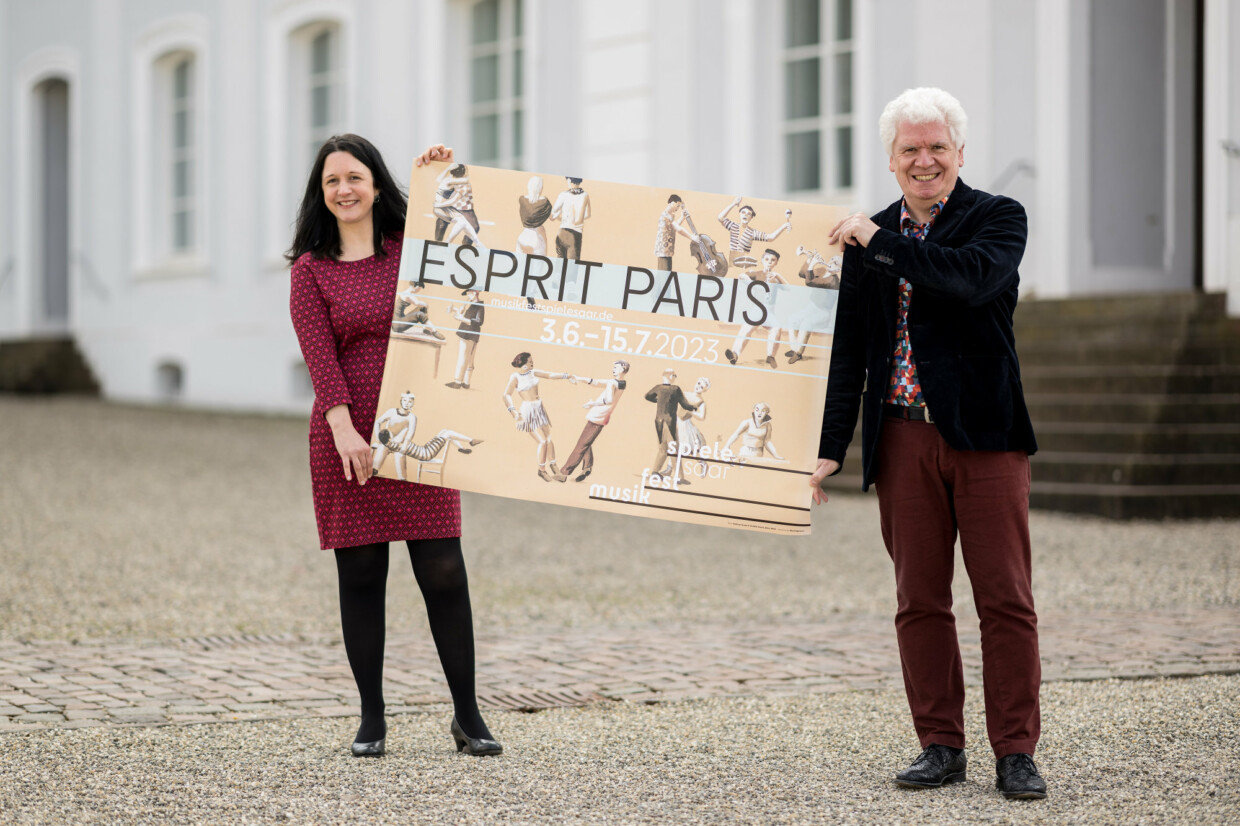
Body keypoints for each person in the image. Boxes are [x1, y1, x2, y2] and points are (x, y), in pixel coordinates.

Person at [809, 88, 1045, 800]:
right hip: (902, 438)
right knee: (919, 599)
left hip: (985, 436)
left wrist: (882, 244)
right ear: (891, 159)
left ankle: (1015, 751)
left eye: (937, 146)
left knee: (1004, 597)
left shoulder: (997, 218)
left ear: (960, 153)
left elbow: (970, 282)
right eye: (910, 149)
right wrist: (829, 448)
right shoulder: (869, 235)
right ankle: (940, 744)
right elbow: (849, 353)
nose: (924, 160)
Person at [287, 134, 501, 759]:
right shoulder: (311, 269)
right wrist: (343, 426)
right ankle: (372, 718)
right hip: (346, 438)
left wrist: (441, 182)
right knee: (361, 575)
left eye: (354, 177)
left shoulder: (412, 251)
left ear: (377, 183)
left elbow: (472, 253)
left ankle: (467, 715)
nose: (344, 190)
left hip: (419, 429)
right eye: (332, 182)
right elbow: (319, 356)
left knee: (444, 570)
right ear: (320, 195)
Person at [370, 390, 482, 481]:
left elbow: (410, 433)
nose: (406, 403)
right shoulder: (395, 440)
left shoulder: (410, 419)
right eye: (404, 400)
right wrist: (379, 436)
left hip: (423, 448)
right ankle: (470, 440)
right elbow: (380, 423)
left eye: (409, 401)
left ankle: (461, 448)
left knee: (445, 431)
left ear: (413, 403)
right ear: (401, 401)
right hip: (425, 452)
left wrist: (401, 442)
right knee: (447, 433)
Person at [501, 351, 577, 481]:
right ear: (524, 364)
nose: (532, 362)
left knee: (548, 439)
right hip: (527, 411)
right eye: (530, 361)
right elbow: (506, 395)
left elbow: (549, 375)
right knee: (542, 441)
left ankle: (554, 466)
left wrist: (567, 375)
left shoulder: (533, 372)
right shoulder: (515, 377)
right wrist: (513, 411)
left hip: (539, 408)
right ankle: (541, 470)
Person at [560, 360, 631, 482]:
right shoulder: (621, 383)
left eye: (616, 367)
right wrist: (579, 378)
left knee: (581, 445)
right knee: (586, 442)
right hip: (603, 417)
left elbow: (608, 399)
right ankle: (587, 467)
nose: (613, 369)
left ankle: (564, 473)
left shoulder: (613, 383)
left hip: (598, 416)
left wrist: (592, 403)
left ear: (622, 369)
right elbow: (595, 382)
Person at [724, 249, 789, 369]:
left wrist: (778, 276)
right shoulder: (757, 273)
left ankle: (771, 356)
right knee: (746, 329)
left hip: (770, 311)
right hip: (757, 309)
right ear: (762, 260)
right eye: (767, 259)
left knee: (776, 328)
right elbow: (741, 276)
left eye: (773, 260)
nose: (769, 262)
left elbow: (789, 289)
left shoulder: (775, 278)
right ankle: (735, 354)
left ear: (776, 262)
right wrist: (753, 285)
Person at [644, 367, 698, 484]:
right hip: (669, 422)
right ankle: (679, 477)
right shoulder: (675, 389)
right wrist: (693, 407)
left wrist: (659, 401)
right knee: (674, 449)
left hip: (658, 421)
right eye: (674, 375)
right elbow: (684, 405)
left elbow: (647, 396)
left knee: (663, 448)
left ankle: (655, 472)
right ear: (669, 376)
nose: (675, 377)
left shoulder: (658, 388)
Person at [446, 288, 485, 389]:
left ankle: (458, 382)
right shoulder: (473, 304)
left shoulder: (479, 305)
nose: (468, 296)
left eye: (470, 293)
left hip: (468, 334)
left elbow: (479, 321)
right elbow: (468, 315)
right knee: (470, 359)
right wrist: (454, 309)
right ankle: (466, 383)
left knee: (463, 357)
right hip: (472, 334)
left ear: (475, 293)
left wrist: (461, 319)